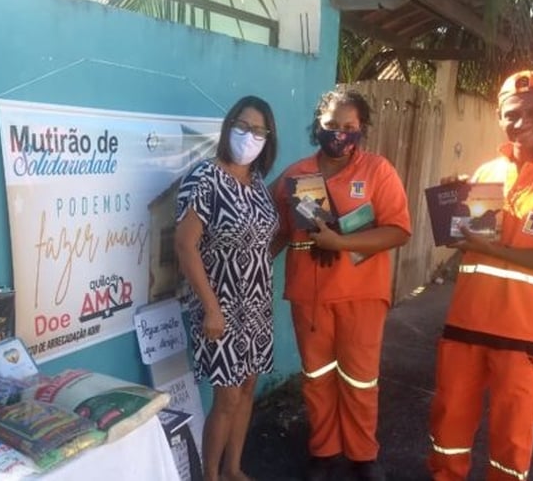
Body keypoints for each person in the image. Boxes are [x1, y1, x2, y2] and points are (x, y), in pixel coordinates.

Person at [426, 70, 533, 480]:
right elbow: (464, 243)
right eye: (511, 114)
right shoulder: (487, 171)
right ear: (498, 115)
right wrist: (451, 207)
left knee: (512, 441)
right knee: (447, 428)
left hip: (526, 336)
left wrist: (497, 250)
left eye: (532, 111)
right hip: (465, 325)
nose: (521, 121)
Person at [271, 90, 412, 481]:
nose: (339, 134)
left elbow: (399, 230)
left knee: (360, 379)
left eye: (349, 127)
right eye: (332, 125)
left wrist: (342, 243)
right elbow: (276, 229)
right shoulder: (294, 175)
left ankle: (362, 454)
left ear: (362, 129)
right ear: (319, 123)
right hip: (309, 295)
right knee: (316, 378)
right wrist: (248, 265)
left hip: (361, 295)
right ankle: (323, 450)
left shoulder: (377, 171)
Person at [175, 95, 279, 481]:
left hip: (256, 306)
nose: (250, 135)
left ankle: (234, 468)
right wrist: (212, 308)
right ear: (228, 127)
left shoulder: (257, 183)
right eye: (243, 126)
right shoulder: (205, 178)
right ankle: (211, 476)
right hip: (220, 307)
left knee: (248, 388)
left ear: (268, 138)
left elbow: (263, 240)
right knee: (227, 397)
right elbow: (185, 245)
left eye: (259, 130)